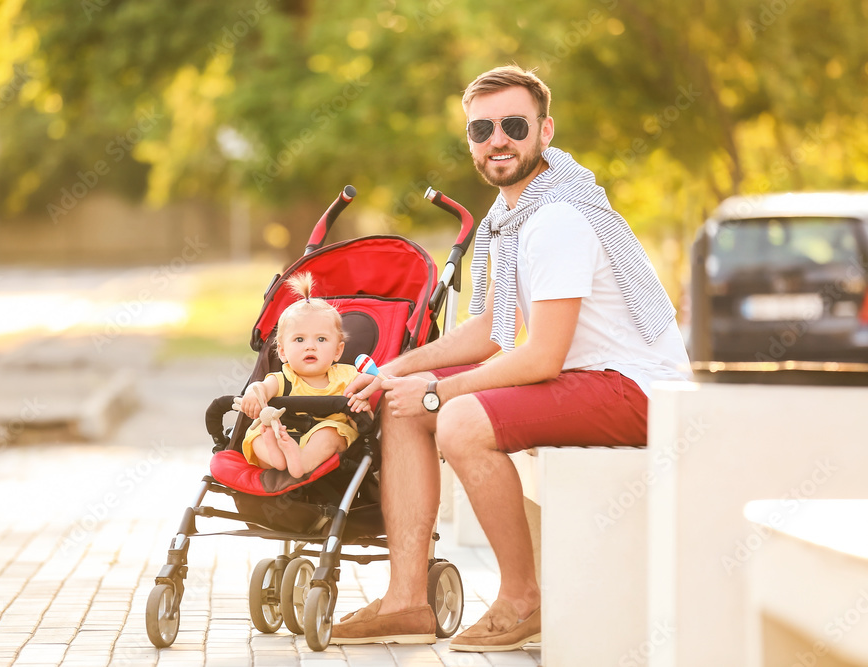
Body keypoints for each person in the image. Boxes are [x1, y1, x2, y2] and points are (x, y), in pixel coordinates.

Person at [332, 65, 691, 651]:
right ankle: (406, 601)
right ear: (470, 141)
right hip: (588, 380)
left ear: (544, 131)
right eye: (482, 130)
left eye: (514, 125)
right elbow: (494, 331)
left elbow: (542, 356)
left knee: (460, 421)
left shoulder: (557, 219)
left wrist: (439, 392)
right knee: (401, 405)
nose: (497, 139)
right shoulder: (512, 217)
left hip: (636, 389)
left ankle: (523, 599)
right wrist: (401, 369)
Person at [237, 272, 376, 479]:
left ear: (338, 351)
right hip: (282, 433)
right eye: (299, 339)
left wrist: (362, 409)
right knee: (257, 434)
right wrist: (252, 393)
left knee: (332, 433)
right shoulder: (283, 378)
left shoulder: (348, 377)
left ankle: (300, 462)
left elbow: (364, 422)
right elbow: (262, 388)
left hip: (319, 438)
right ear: (282, 351)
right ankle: (275, 457)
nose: (310, 346)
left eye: (321, 339)